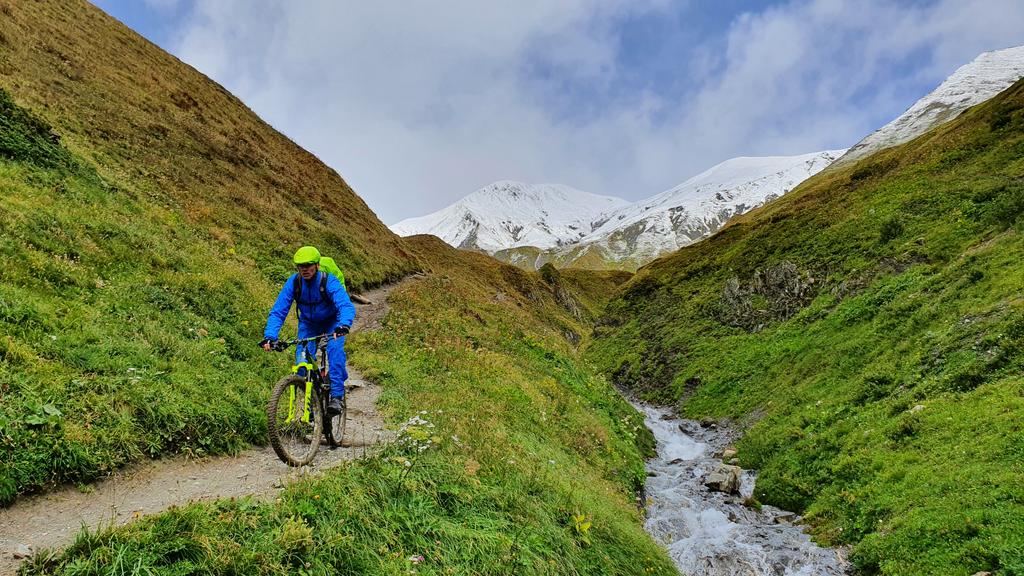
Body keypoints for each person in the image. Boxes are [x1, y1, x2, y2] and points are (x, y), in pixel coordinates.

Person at [260, 246, 355, 413]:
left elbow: (345, 305)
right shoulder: (294, 282)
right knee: (302, 361)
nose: (304, 269)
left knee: (335, 350)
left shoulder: (329, 281)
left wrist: (343, 324)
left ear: (317, 265)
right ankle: (309, 404)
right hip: (308, 324)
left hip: (333, 322)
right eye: (300, 266)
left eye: (308, 265)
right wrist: (270, 336)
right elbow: (279, 310)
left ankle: (337, 397)